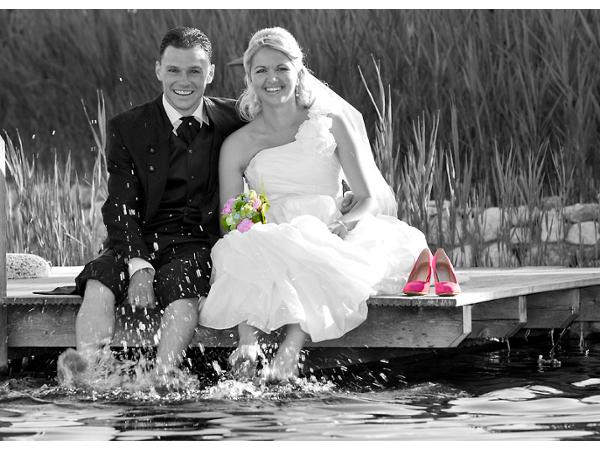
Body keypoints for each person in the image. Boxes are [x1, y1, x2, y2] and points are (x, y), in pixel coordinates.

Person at [198, 27, 428, 383]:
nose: (272, 78)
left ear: (299, 70)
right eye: (261, 70)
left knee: (309, 242)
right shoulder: (238, 144)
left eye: (281, 68)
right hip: (272, 230)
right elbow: (230, 219)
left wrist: (344, 225)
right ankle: (248, 345)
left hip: (329, 226)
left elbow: (368, 197)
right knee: (246, 244)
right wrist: (248, 223)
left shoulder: (330, 123)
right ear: (250, 78)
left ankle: (290, 349)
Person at [57, 26, 244, 385]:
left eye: (195, 71)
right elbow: (119, 207)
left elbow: (283, 130)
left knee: (183, 289)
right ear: (159, 70)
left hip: (195, 243)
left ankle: (163, 375)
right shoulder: (128, 127)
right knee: (100, 281)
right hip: (137, 236)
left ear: (211, 73)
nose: (183, 81)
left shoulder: (234, 119)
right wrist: (139, 265)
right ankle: (89, 371)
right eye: (173, 70)